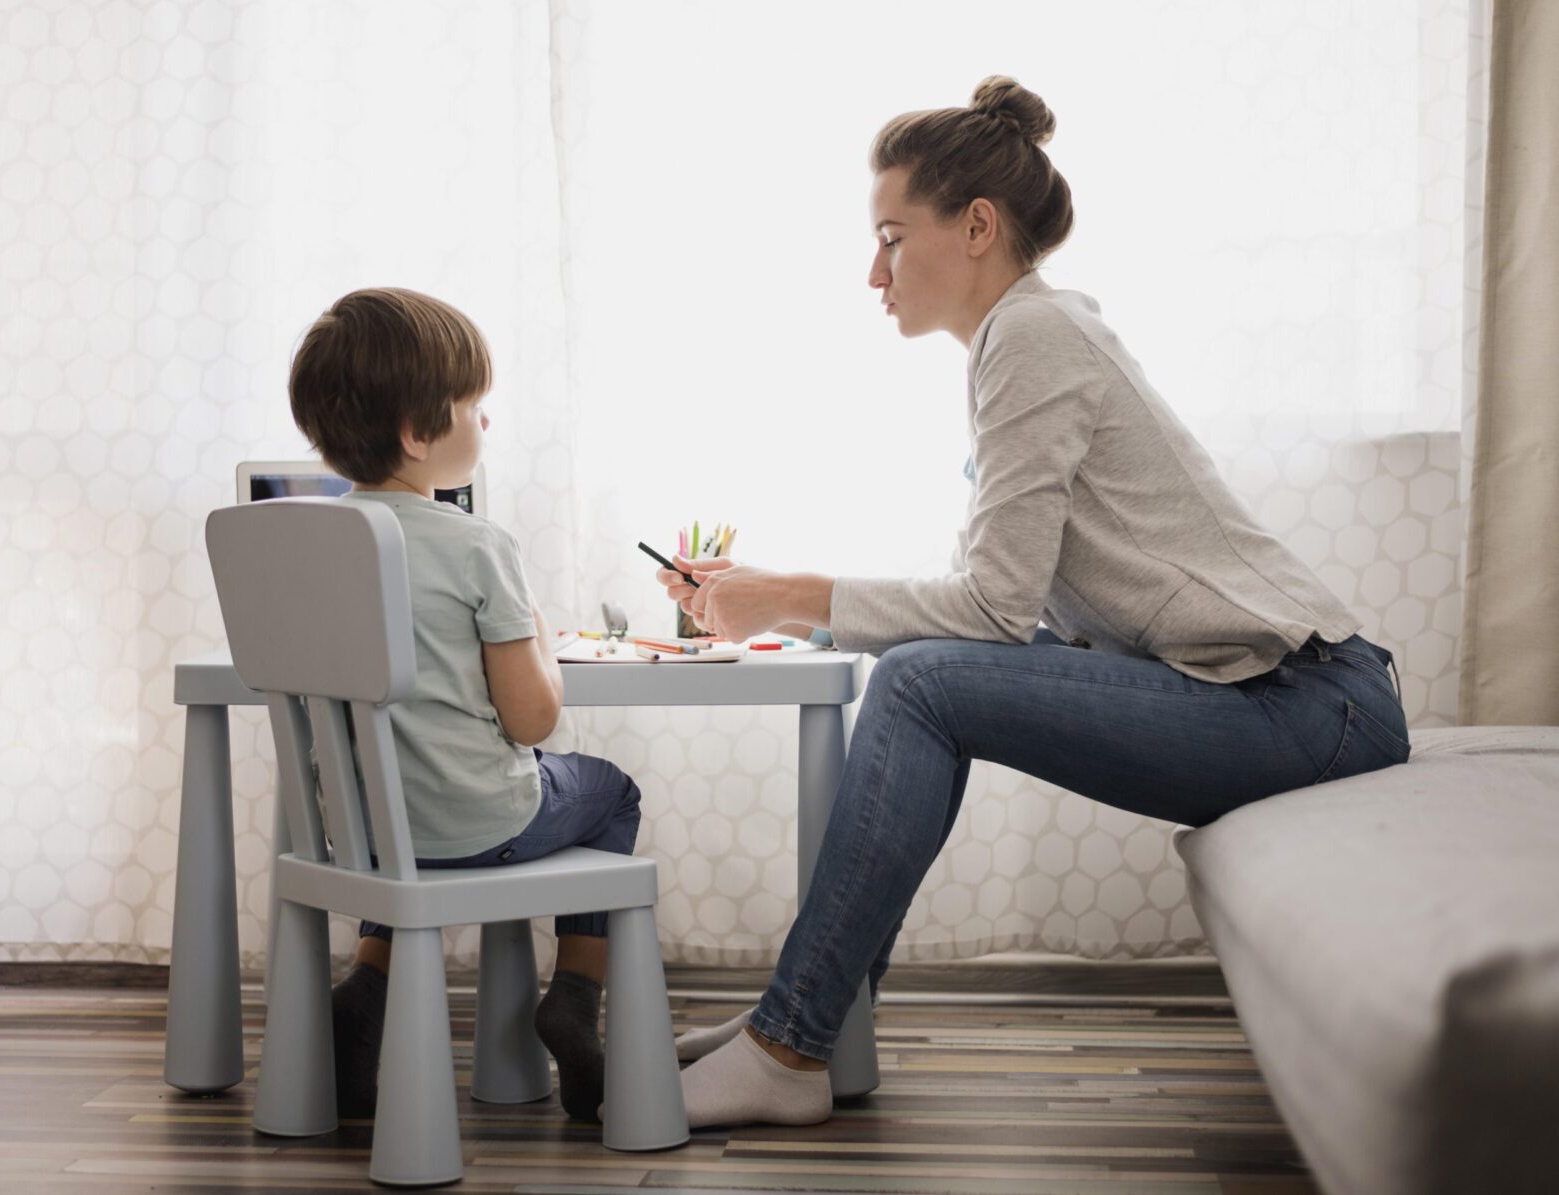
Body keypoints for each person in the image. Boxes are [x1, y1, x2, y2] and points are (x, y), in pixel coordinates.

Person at [656, 77, 1411, 1129]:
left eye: (889, 236)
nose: (870, 271)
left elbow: (993, 608)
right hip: (1283, 695)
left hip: (1305, 702)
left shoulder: (1034, 337)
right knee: (923, 678)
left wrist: (790, 590)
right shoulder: (1027, 336)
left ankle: (790, 1040)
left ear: (976, 226)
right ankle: (806, 1026)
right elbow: (1013, 612)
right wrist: (789, 609)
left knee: (922, 683)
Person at [288, 287, 642, 1122]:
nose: (487, 424)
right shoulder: (478, 545)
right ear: (419, 432)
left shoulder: (309, 548)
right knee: (611, 790)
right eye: (476, 406)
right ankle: (576, 995)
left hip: (363, 832)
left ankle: (368, 988)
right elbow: (532, 721)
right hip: (482, 824)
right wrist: (542, 646)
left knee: (409, 805)